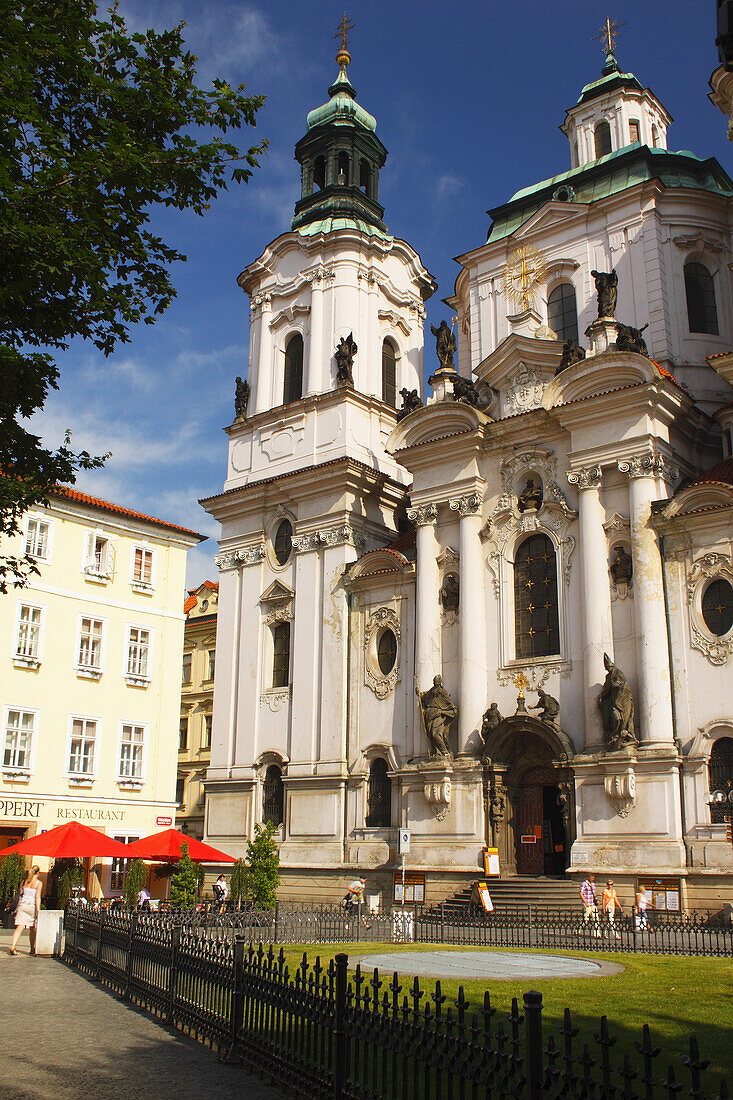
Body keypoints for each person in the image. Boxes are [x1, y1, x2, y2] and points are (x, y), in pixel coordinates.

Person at [10, 866, 42, 955]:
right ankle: (32, 948)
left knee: (19, 927)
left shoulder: (24, 882)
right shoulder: (38, 883)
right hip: (31, 906)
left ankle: (13, 945)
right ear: (38, 873)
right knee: (33, 928)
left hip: (22, 905)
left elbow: (20, 894)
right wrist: (38, 910)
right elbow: (37, 897)